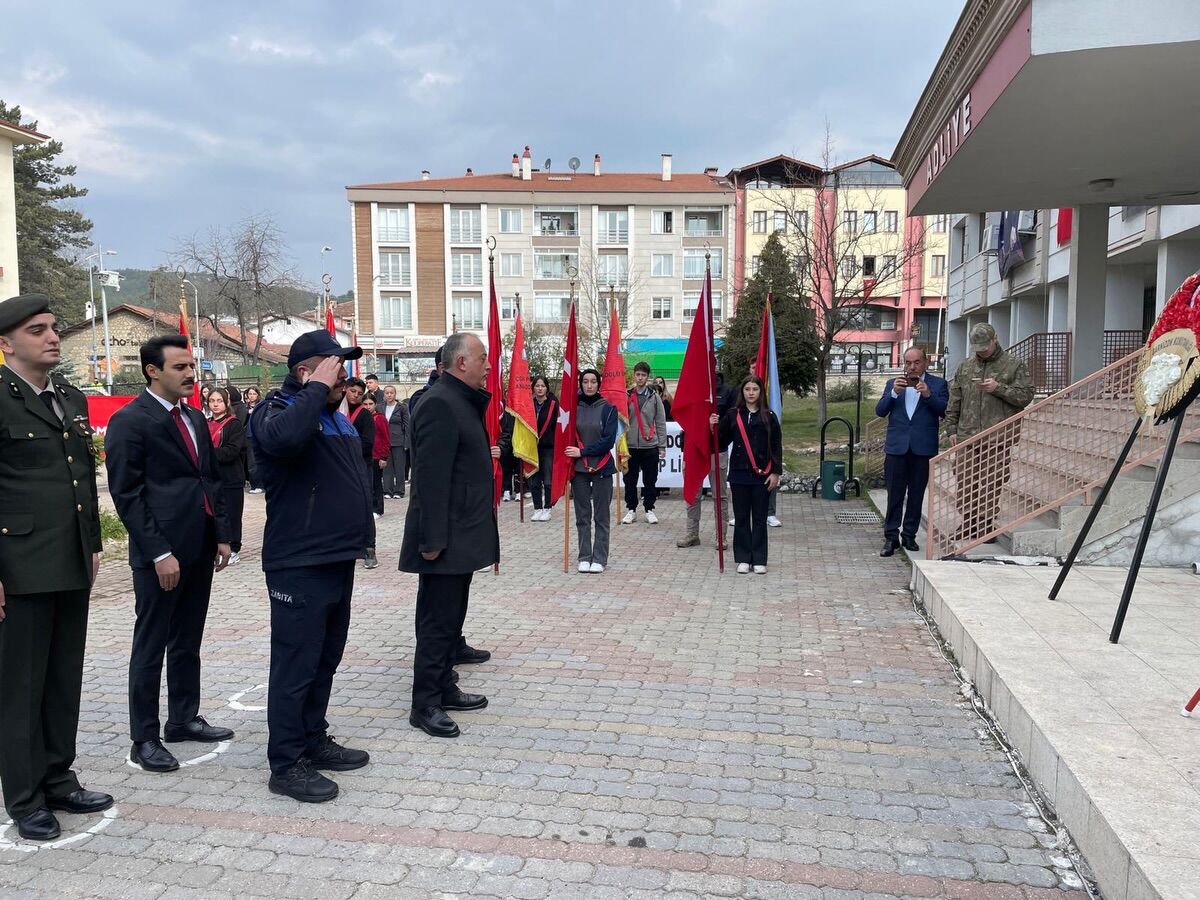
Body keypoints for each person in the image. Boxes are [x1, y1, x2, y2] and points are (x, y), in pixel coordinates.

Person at [0, 294, 112, 841]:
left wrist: (91, 544)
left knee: (63, 677)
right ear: (6, 344)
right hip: (18, 565)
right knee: (21, 686)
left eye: (52, 328)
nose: (51, 337)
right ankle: (25, 798)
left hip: (69, 558)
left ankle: (58, 778)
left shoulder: (69, 397)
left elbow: (82, 479)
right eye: (37, 330)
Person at [249, 330, 372, 802]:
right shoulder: (276, 412)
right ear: (305, 372)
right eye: (334, 366)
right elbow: (282, 441)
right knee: (295, 665)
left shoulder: (333, 417)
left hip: (336, 557)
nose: (344, 375)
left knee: (324, 658)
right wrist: (316, 388)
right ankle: (286, 764)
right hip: (297, 562)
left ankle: (312, 737)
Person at [105, 335, 234, 775]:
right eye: (180, 367)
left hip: (200, 546)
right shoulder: (130, 421)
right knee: (151, 643)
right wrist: (159, 551)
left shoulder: (194, 417)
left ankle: (183, 718)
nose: (190, 374)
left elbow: (210, 479)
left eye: (191, 366)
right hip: (160, 554)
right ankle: (144, 738)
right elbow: (127, 494)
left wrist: (221, 534)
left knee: (187, 638)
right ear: (152, 371)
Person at [400, 333, 498, 739]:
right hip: (445, 538)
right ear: (461, 363)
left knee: (451, 616)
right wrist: (432, 540)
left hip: (462, 532)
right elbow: (431, 479)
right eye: (482, 358)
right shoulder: (440, 402)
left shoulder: (459, 399)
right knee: (437, 622)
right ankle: (424, 703)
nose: (488, 366)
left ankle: (444, 686)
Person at [943, 323, 1035, 542]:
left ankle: (985, 524)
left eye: (985, 347)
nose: (982, 352)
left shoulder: (1013, 365)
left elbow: (1026, 396)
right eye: (978, 348)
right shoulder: (965, 367)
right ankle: (968, 522)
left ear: (995, 339)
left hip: (998, 436)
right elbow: (955, 399)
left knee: (991, 480)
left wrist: (998, 388)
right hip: (967, 435)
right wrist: (951, 428)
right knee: (965, 480)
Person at [875, 347, 949, 557]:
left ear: (925, 362)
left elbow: (944, 410)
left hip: (922, 448)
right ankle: (891, 537)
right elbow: (880, 411)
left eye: (916, 362)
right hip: (897, 448)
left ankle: (909, 535)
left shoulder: (938, 384)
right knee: (894, 495)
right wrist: (893, 393)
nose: (912, 367)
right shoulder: (893, 383)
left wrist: (928, 395)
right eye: (908, 363)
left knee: (916, 495)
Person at [719, 375, 782, 574]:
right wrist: (714, 426)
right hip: (739, 474)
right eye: (747, 389)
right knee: (742, 517)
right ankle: (743, 558)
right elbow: (721, 441)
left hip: (762, 475)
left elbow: (776, 446)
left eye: (755, 389)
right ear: (742, 392)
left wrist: (776, 472)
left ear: (760, 392)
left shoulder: (769, 416)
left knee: (760, 518)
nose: (751, 393)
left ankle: (759, 559)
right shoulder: (733, 415)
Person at [567, 369, 618, 573]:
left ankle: (600, 558)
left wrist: (582, 451)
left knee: (601, 516)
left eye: (593, 381)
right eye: (585, 381)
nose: (589, 385)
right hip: (579, 470)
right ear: (580, 384)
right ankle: (584, 556)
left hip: (602, 468)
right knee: (582, 515)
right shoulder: (572, 409)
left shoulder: (609, 409)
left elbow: (608, 441)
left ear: (599, 384)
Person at [677, 372, 736, 550]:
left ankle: (721, 536)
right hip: (694, 451)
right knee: (693, 494)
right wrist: (685, 450)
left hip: (717, 450)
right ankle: (692, 533)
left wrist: (716, 428)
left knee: (719, 496)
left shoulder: (728, 392)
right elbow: (686, 421)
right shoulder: (693, 390)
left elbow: (732, 421)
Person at [622, 361, 668, 525]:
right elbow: (620, 418)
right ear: (634, 376)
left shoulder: (654, 397)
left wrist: (662, 445)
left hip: (650, 445)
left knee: (650, 480)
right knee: (630, 480)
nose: (640, 378)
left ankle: (649, 509)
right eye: (638, 374)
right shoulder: (627, 395)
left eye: (643, 375)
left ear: (647, 377)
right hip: (630, 445)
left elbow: (660, 421)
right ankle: (631, 509)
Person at [207, 388, 247, 565]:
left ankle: (234, 548)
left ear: (226, 402)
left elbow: (232, 451)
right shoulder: (205, 423)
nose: (215, 404)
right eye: (212, 401)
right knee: (214, 515)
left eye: (219, 401)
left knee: (232, 515)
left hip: (231, 478)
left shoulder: (234, 424)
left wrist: (208, 454)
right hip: (211, 478)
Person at [344, 377, 379, 568]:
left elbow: (367, 443)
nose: (355, 396)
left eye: (359, 393)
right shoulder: (336, 411)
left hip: (361, 466)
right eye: (352, 391)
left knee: (365, 506)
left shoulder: (364, 415)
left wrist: (343, 448)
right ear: (345, 389)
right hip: (340, 468)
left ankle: (369, 548)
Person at [528, 376, 557, 521]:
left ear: (547, 388)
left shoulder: (553, 405)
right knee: (534, 479)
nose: (540, 389)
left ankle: (547, 508)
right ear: (533, 388)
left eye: (542, 386)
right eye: (537, 386)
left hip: (548, 448)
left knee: (548, 480)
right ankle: (537, 508)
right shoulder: (528, 405)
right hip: (532, 448)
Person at [381, 384, 409, 499]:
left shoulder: (402, 407)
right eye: (387, 393)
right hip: (385, 442)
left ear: (395, 394)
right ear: (384, 394)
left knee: (399, 467)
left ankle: (399, 491)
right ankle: (387, 490)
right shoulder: (380, 407)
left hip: (398, 441)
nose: (389, 395)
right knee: (387, 468)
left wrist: (407, 442)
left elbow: (407, 426)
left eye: (391, 393)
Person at [364, 394, 390, 517]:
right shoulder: (362, 417)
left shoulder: (379, 418)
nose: (368, 407)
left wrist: (384, 457)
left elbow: (386, 438)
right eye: (365, 404)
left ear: (375, 405)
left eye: (370, 404)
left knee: (376, 483)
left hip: (377, 456)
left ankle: (378, 509)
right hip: (365, 455)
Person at [244, 387, 264, 493]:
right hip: (249, 435)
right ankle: (254, 484)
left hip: (259, 435)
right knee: (251, 462)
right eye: (250, 394)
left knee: (259, 460)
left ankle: (260, 485)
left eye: (254, 394)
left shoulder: (261, 406)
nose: (251, 396)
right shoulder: (245, 407)